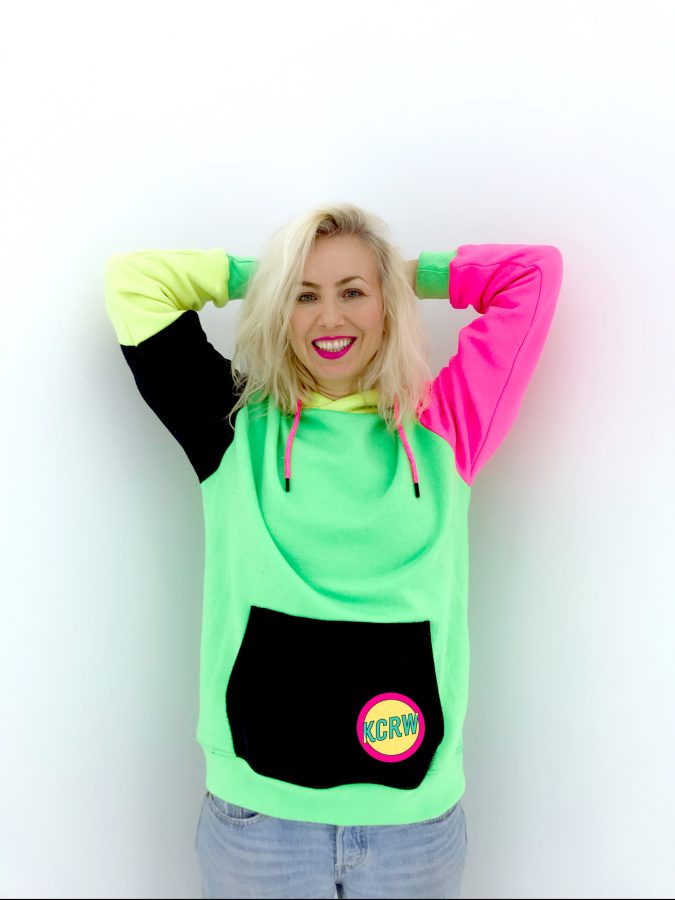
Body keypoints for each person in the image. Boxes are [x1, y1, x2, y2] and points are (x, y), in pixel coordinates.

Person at [103, 202, 564, 899]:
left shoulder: (448, 426)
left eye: (353, 292)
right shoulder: (232, 425)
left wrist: (405, 272)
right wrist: (266, 274)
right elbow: (134, 284)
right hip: (260, 820)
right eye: (303, 296)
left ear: (386, 304)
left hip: (411, 823)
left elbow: (532, 276)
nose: (329, 318)